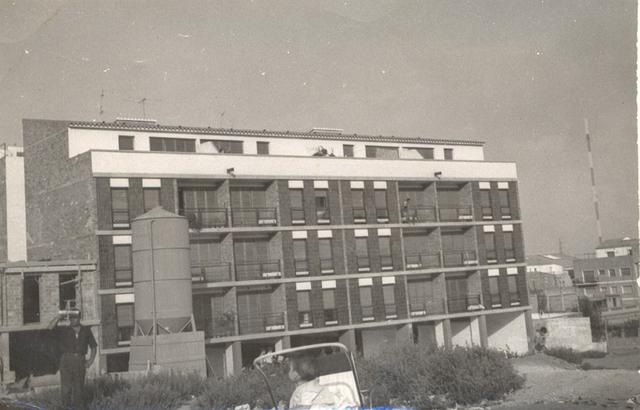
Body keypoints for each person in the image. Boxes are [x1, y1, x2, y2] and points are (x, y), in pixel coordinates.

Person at [48, 309, 97, 409]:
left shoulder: (86, 330)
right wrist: (58, 316)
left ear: (79, 318)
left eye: (75, 317)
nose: (73, 320)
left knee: (79, 389)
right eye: (71, 318)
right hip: (66, 360)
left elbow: (93, 346)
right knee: (66, 389)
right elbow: (49, 328)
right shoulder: (64, 329)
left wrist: (91, 361)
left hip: (80, 360)